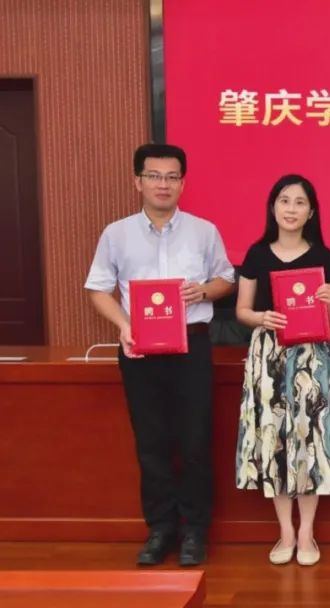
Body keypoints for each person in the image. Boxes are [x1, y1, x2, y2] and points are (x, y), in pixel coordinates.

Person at [85, 143, 235, 566]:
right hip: (140, 349)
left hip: (192, 345)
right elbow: (98, 288)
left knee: (195, 441)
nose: (163, 184)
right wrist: (123, 325)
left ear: (183, 183)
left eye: (172, 177)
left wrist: (203, 291)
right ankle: (160, 529)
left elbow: (226, 278)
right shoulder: (116, 234)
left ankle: (195, 531)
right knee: (151, 442)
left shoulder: (203, 231)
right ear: (138, 181)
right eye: (154, 176)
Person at [234, 174, 330, 566]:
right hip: (268, 358)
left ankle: (306, 533)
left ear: (311, 212)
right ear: (273, 207)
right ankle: (285, 531)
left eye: (300, 202)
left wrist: (327, 300)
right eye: (284, 200)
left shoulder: (323, 256)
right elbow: (242, 310)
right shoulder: (256, 254)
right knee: (276, 442)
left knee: (310, 440)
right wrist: (261, 317)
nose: (291, 209)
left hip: (311, 359)